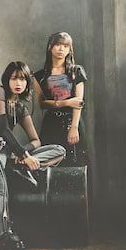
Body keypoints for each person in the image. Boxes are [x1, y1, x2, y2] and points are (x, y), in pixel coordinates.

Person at [0, 62, 66, 250]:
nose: (19, 83)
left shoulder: (20, 107)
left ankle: (20, 167)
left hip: (8, 154)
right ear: (7, 80)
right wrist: (24, 155)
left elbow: (36, 141)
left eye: (23, 79)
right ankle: (3, 238)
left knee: (59, 150)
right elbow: (3, 128)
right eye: (14, 78)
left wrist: (23, 154)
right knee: (0, 186)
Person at [33, 32, 88, 165]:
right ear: (50, 47)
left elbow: (78, 103)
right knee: (49, 163)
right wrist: (67, 102)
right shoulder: (39, 76)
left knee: (75, 163)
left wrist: (74, 127)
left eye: (65, 46)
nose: (61, 49)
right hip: (50, 123)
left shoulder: (76, 71)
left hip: (72, 121)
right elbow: (42, 104)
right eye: (58, 44)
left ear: (70, 50)